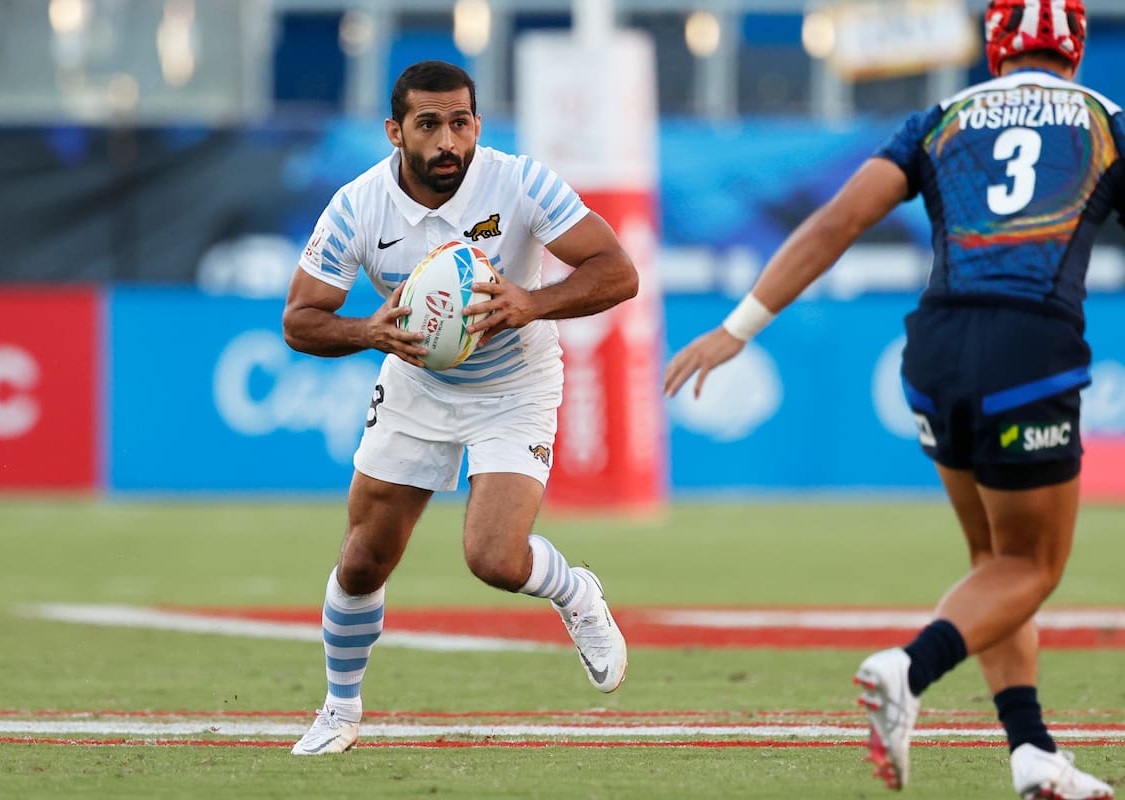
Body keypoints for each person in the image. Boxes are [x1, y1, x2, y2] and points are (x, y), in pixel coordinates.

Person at [664, 1, 1120, 797]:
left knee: (992, 562)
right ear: (1077, 48)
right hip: (1030, 348)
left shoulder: (942, 118)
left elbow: (837, 219)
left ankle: (1032, 750)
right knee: (1031, 565)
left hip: (934, 349)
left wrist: (739, 328)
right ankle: (908, 669)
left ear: (994, 46)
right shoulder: (1108, 121)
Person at [282, 60, 636, 755]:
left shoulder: (521, 181)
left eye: (461, 122)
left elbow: (617, 271)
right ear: (395, 132)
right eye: (429, 125)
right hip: (419, 386)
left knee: (494, 559)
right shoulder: (358, 206)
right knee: (362, 561)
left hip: (515, 385)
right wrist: (366, 332)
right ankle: (340, 709)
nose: (448, 140)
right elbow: (299, 319)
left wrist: (533, 301)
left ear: (477, 122)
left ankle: (577, 593)